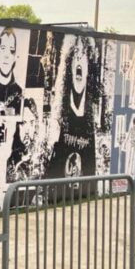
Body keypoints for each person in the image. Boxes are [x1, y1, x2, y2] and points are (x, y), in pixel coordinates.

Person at [47, 35, 96, 178]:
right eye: (75, 54)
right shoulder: (59, 112)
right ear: (70, 64)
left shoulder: (93, 113)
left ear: (89, 65)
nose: (79, 58)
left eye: (83, 54)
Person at [0, 27, 23, 145]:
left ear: (15, 58)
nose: (7, 55)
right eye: (3, 48)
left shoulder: (20, 93)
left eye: (12, 50)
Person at [6, 97, 39, 183]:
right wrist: (21, 160)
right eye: (23, 123)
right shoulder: (9, 157)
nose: (27, 129)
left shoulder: (38, 154)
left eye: (31, 122)